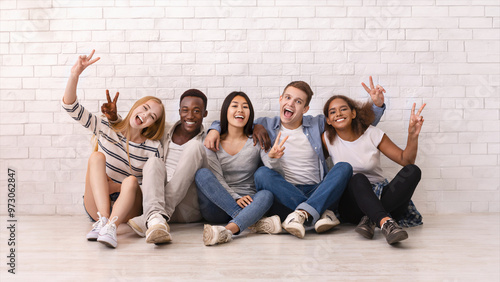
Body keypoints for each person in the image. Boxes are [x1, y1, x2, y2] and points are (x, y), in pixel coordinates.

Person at [205, 80, 385, 239]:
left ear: (305, 109)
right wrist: (214, 129)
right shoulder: (266, 125)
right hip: (284, 195)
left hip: (319, 191)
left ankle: (304, 213)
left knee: (344, 167)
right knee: (262, 174)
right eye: (288, 98)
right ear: (281, 99)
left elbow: (350, 124)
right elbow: (234, 120)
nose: (291, 103)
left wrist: (376, 107)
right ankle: (317, 214)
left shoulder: (317, 124)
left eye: (298, 101)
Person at [62, 50, 165, 248]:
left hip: (129, 206)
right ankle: (103, 221)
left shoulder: (153, 148)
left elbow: (152, 189)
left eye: (152, 116)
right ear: (136, 107)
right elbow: (71, 107)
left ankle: (111, 226)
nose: (146, 115)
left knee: (132, 180)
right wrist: (75, 74)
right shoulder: (106, 127)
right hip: (98, 202)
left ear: (152, 124)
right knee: (96, 158)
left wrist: (117, 186)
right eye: (145, 108)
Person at [322, 78, 425, 245]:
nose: (338, 114)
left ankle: (371, 218)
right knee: (357, 178)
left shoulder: (372, 134)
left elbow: (406, 160)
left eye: (343, 109)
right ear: (328, 120)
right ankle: (385, 221)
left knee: (413, 170)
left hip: (383, 197)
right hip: (351, 204)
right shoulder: (327, 138)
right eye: (332, 112)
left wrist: (413, 135)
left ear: (353, 113)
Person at [103, 88, 209, 244]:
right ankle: (155, 220)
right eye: (185, 110)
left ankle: (153, 217)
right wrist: (113, 119)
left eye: (197, 111)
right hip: (155, 200)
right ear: (179, 111)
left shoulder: (209, 140)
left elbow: (214, 176)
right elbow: (134, 126)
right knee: (153, 161)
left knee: (194, 146)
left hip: (186, 206)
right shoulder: (164, 130)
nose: (190, 116)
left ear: (205, 114)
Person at [195, 91, 287, 246]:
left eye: (245, 107)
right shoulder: (213, 140)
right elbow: (216, 177)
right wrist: (235, 197)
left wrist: (274, 159)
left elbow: (276, 177)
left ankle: (228, 230)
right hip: (218, 206)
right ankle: (252, 222)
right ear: (226, 111)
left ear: (250, 113)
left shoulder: (257, 140)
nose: (240, 110)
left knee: (266, 194)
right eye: (235, 106)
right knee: (202, 174)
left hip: (251, 204)